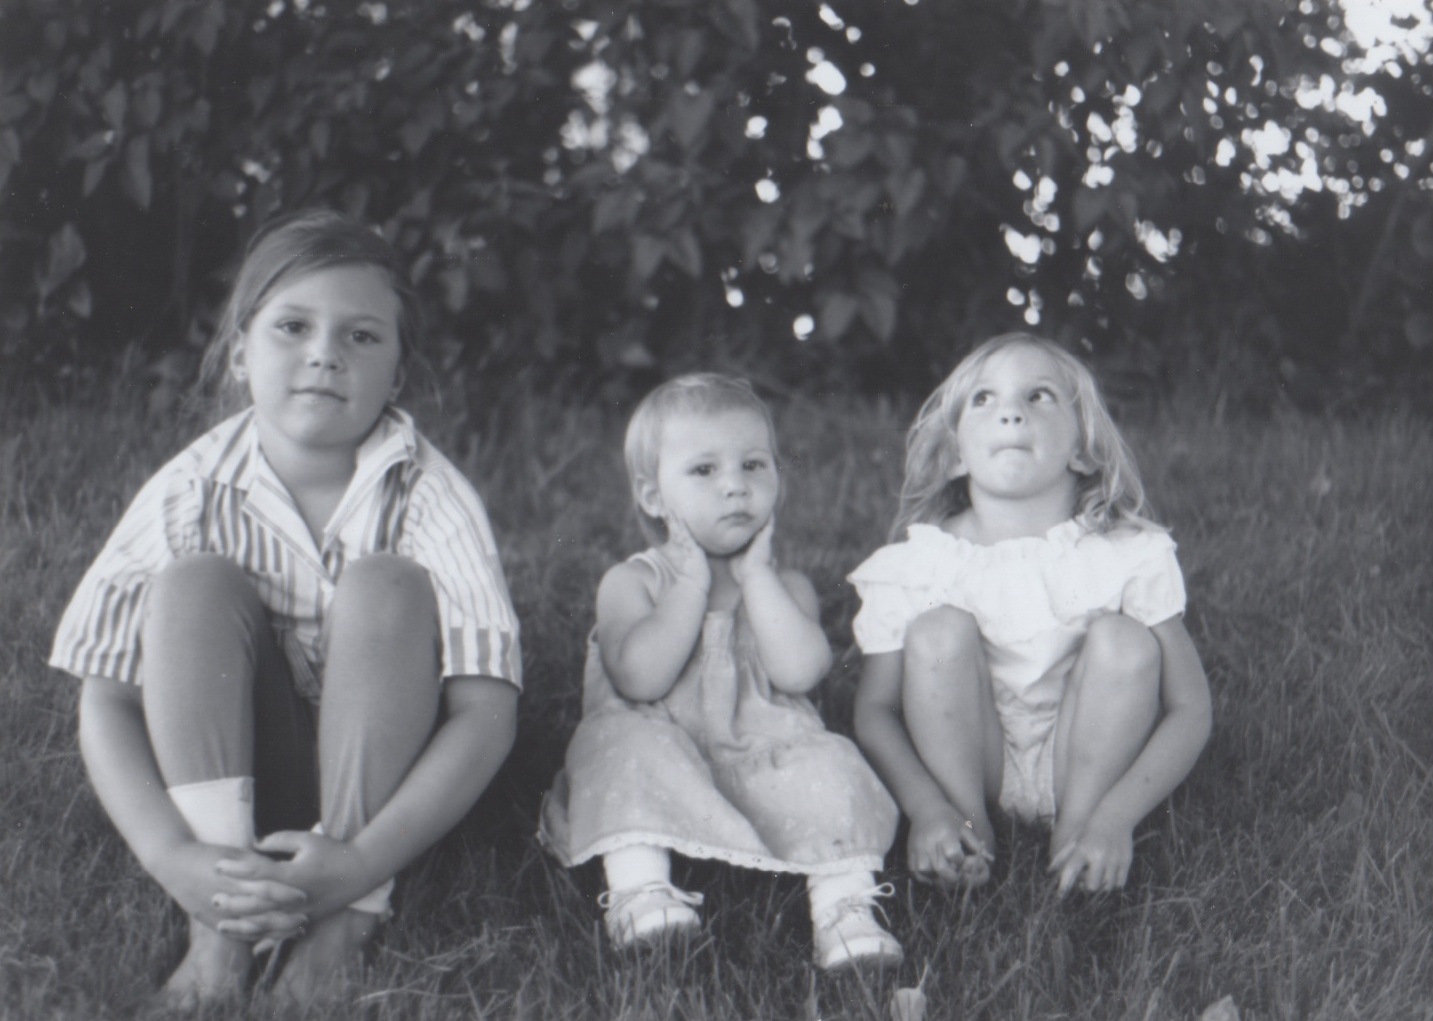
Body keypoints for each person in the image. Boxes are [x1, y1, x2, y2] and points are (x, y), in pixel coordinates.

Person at [49, 209, 522, 1007]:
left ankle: (343, 924)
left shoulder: (429, 496)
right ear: (239, 350)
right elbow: (105, 695)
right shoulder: (189, 489)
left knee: (386, 585)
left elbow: (486, 711)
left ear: (398, 375)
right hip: (229, 778)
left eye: (361, 337)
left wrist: (364, 863)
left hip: (377, 794)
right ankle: (223, 920)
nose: (324, 355)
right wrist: (172, 856)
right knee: (194, 582)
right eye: (293, 326)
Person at [540, 373, 902, 971]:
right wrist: (690, 586)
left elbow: (803, 672)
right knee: (615, 743)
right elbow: (639, 681)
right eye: (704, 471)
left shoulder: (784, 587)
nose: (735, 486)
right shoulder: (633, 583)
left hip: (764, 756)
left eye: (754, 466)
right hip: (660, 756)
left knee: (834, 760)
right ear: (654, 498)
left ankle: (844, 912)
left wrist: (757, 578)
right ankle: (641, 891)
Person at [849, 333, 1211, 896]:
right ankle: (967, 832)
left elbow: (1189, 707)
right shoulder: (918, 566)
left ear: (1083, 449)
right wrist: (927, 807)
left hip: (1086, 755)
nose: (1011, 412)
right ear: (954, 454)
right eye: (984, 400)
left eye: (1038, 396)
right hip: (974, 756)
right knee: (939, 630)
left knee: (1124, 640)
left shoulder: (1126, 554)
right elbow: (875, 709)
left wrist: (1118, 819)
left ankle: (1079, 837)